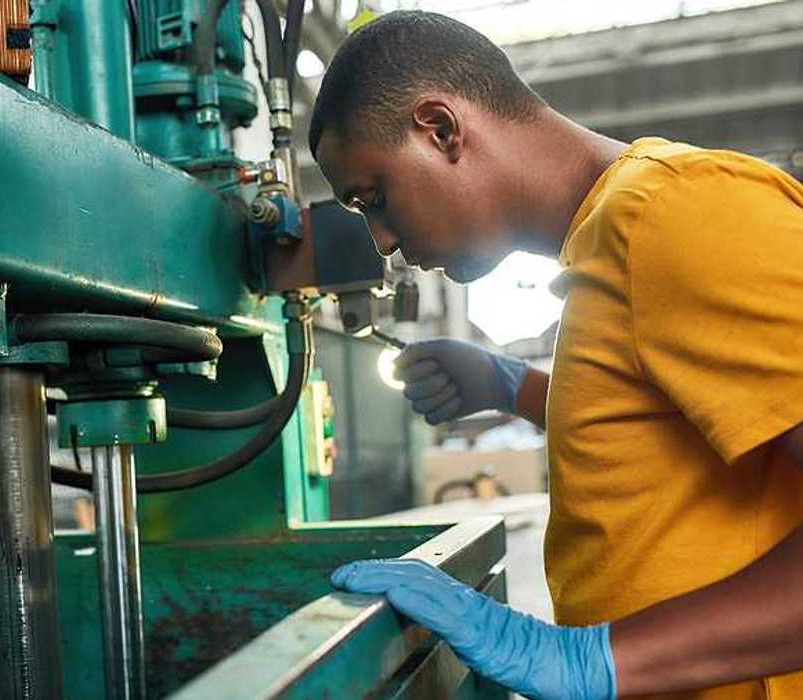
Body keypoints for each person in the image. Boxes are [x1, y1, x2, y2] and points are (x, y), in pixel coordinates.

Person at [310, 11, 803, 700]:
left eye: (373, 197)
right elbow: (687, 440)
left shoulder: (678, 214)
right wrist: (513, 388)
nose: (382, 242)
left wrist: (587, 660)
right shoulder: (610, 242)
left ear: (441, 129)